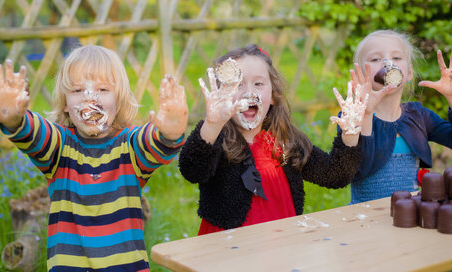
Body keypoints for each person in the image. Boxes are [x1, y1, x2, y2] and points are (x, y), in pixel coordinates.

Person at [0, 45, 188, 271]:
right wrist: (13, 119)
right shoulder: (59, 147)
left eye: (102, 89)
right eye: (78, 90)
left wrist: (169, 133)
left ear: (118, 100)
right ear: (65, 103)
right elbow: (33, 134)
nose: (90, 98)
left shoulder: (129, 147)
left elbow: (153, 143)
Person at [178, 44, 367, 234]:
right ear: (222, 95)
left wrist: (350, 133)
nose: (248, 92)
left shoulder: (287, 140)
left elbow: (335, 175)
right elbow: (192, 170)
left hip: (282, 247)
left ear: (273, 96)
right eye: (237, 85)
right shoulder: (217, 139)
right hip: (230, 250)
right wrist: (212, 124)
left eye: (258, 84)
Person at [349, 30, 452, 204]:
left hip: (411, 215)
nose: (387, 63)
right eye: (375, 59)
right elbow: (356, 168)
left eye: (396, 58)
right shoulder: (351, 117)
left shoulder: (419, 115)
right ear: (360, 74)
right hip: (365, 218)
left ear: (409, 73)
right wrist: (364, 116)